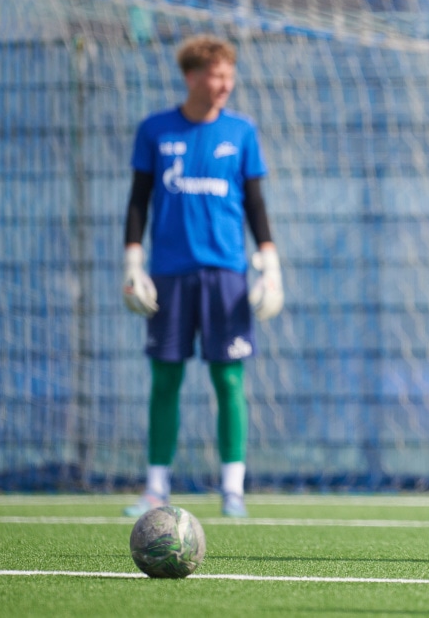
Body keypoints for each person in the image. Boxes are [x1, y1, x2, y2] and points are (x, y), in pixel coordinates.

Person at [121, 34, 284, 519]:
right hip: (169, 275)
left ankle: (233, 488)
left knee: (229, 380)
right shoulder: (155, 130)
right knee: (165, 379)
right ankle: (155, 488)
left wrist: (270, 263)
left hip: (227, 276)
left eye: (229, 76)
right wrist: (133, 262)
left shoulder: (242, 132)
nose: (225, 85)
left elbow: (255, 203)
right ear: (192, 77)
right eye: (216, 76)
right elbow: (138, 201)